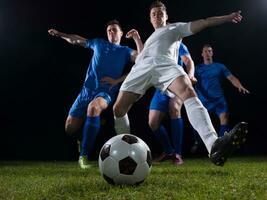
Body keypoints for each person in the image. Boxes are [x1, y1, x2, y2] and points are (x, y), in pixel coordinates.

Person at [112, 1, 248, 167]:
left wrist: (227, 17)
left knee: (188, 92)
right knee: (118, 109)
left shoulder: (175, 28)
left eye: (160, 13)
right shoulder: (150, 40)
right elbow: (141, 56)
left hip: (165, 65)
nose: (157, 16)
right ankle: (125, 151)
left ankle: (213, 145)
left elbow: (204, 22)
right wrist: (137, 38)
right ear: (150, 18)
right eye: (154, 14)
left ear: (166, 16)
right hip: (141, 68)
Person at [48, 20, 143, 169]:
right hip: (86, 91)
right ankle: (86, 135)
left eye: (114, 30)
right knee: (69, 128)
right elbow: (76, 40)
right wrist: (61, 34)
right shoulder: (98, 43)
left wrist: (118, 80)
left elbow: (142, 61)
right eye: (109, 30)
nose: (111, 32)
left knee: (93, 108)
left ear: (121, 33)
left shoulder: (125, 51)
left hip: (106, 91)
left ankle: (83, 156)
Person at [190, 44, 250, 152]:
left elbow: (231, 78)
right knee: (198, 122)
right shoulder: (197, 69)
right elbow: (190, 80)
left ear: (212, 53)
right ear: (202, 54)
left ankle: (222, 147)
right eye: (205, 51)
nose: (208, 53)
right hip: (204, 101)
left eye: (210, 51)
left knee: (224, 118)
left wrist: (239, 85)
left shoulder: (220, 66)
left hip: (219, 100)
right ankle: (197, 141)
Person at [149, 42, 196, 165]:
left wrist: (190, 76)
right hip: (161, 88)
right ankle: (169, 151)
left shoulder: (178, 44)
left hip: (177, 83)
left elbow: (188, 61)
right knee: (153, 122)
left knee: (174, 107)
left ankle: (178, 154)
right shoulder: (155, 44)